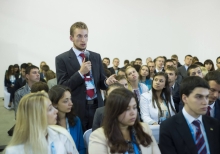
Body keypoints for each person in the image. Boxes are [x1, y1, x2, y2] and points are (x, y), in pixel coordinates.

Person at [55, 21, 116, 131]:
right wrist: (80, 73)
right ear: (71, 38)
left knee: (99, 138)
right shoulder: (62, 59)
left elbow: (101, 82)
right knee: (80, 141)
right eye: (79, 36)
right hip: (77, 107)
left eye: (85, 36)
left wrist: (106, 82)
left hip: (97, 106)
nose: (83, 40)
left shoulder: (95, 56)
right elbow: (62, 86)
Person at [159, 76, 220, 154]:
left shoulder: (214, 124)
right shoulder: (169, 126)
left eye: (207, 97)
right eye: (199, 97)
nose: (205, 102)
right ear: (185, 98)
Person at [89, 88, 161, 154]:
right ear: (115, 111)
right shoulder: (99, 136)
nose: (133, 113)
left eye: (134, 107)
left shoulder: (144, 128)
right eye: (127, 109)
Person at [4, 91, 78, 154]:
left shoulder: (62, 135)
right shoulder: (14, 151)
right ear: (37, 116)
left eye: (53, 107)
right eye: (50, 109)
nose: (56, 111)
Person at [49, 85, 86, 154]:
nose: (71, 103)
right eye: (65, 101)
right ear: (54, 104)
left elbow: (82, 148)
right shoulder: (49, 123)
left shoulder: (76, 120)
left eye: (70, 99)